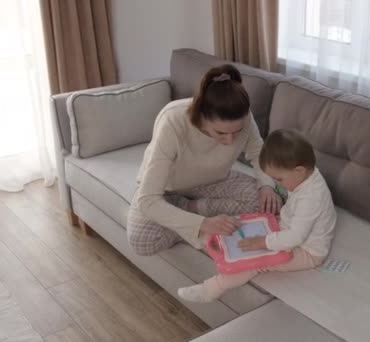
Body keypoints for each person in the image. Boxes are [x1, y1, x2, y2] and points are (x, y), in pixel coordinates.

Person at [127, 64, 281, 256]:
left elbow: (259, 153)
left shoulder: (244, 117)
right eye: (221, 133)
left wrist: (266, 185)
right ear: (201, 117)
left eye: (237, 132)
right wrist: (203, 224)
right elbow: (147, 200)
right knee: (142, 241)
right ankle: (185, 210)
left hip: (213, 181)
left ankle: (190, 207)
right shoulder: (173, 120)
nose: (230, 141)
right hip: (168, 188)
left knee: (268, 204)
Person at [178, 129, 337, 302]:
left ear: (299, 170)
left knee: (259, 262)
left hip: (308, 251)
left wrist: (262, 242)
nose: (277, 184)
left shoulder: (311, 197)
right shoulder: (305, 175)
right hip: (289, 228)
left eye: (279, 179)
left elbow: (296, 237)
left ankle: (212, 289)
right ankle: (216, 240)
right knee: (250, 223)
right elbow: (295, 212)